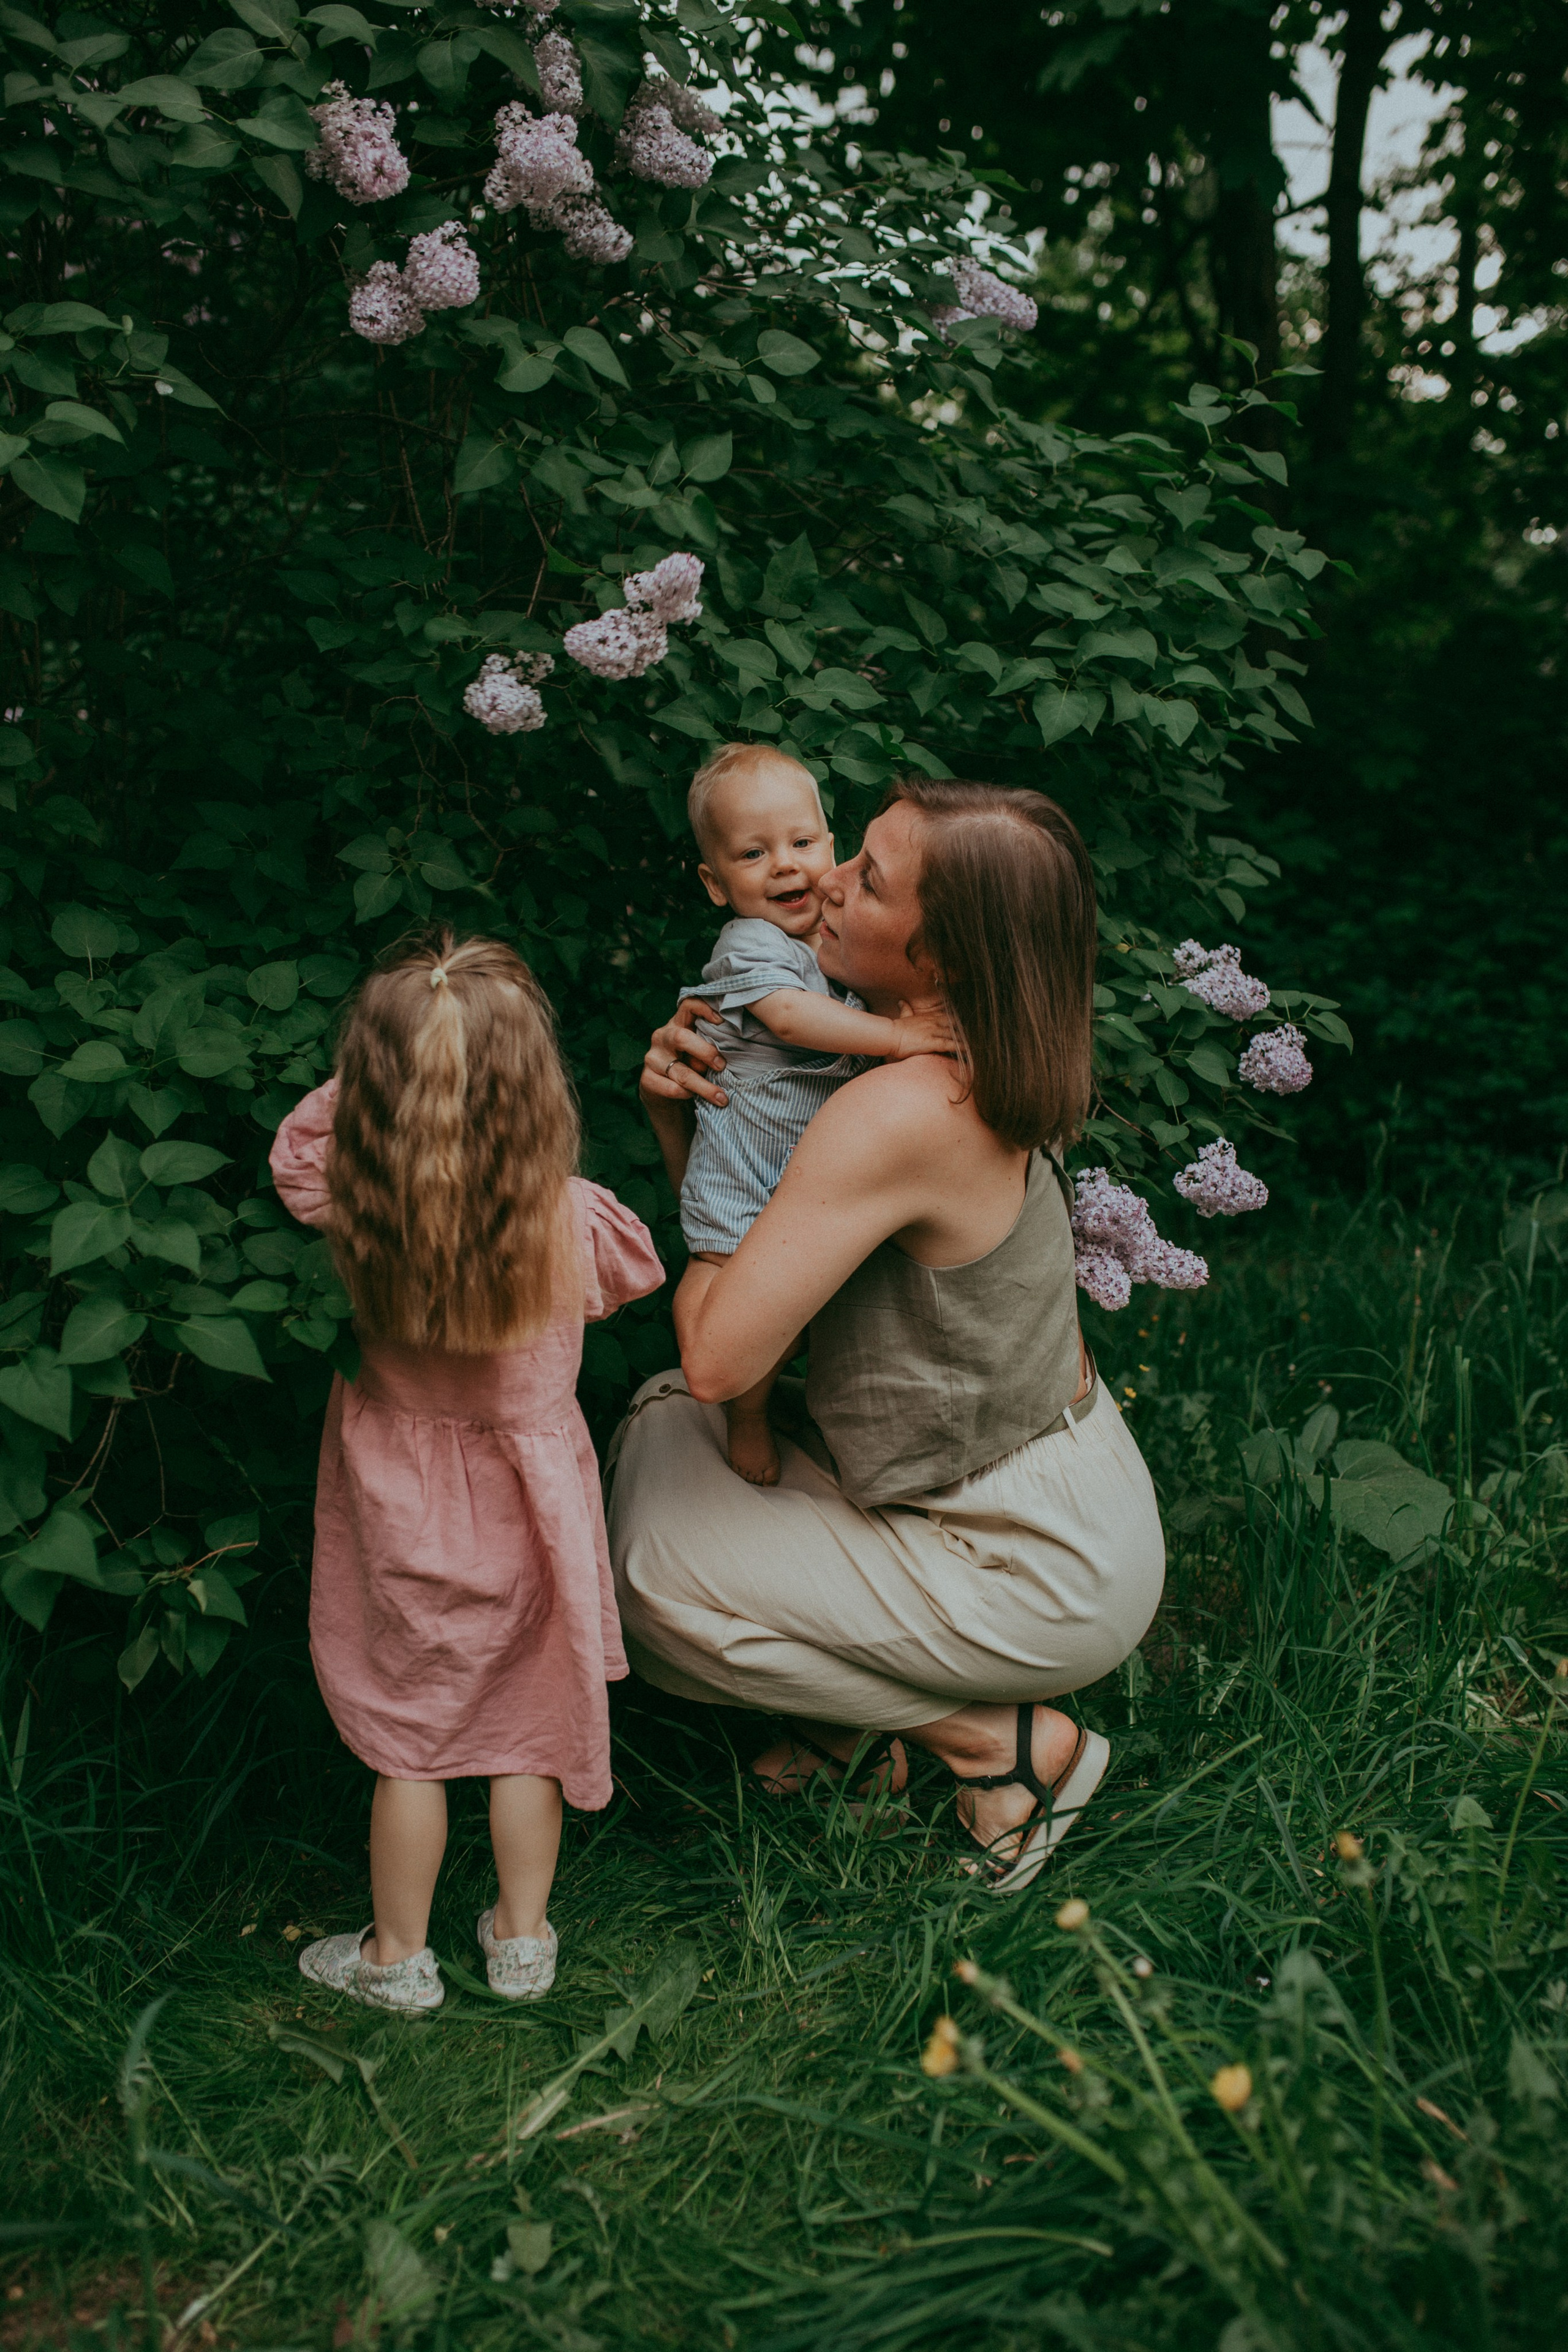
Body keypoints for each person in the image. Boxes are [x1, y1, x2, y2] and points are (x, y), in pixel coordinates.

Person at [609, 779, 1165, 1893]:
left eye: (868, 879)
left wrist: (710, 1123)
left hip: (1030, 1556)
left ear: (941, 956)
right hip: (1027, 1485)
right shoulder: (960, 1054)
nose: (826, 880)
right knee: (669, 1429)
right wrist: (693, 1115)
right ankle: (850, 1721)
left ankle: (1006, 1748)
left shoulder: (907, 1107)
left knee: (650, 1578)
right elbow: (759, 1278)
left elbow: (722, 1352)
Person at [270, 932, 663, 2011]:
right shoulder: (569, 1218)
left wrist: (392, 1076)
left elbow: (296, 1150)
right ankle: (522, 1941)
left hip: (402, 1508)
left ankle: (397, 1958)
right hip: (535, 1511)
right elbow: (638, 1270)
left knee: (412, 1737)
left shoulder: (363, 1204)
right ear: (532, 1089)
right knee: (528, 1726)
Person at [670, 742, 952, 1486]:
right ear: (715, 883)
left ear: (831, 845)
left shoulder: (829, 947)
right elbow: (791, 1018)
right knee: (720, 1283)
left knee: (789, 1318)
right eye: (753, 853)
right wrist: (898, 1036)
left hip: (799, 1176)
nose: (784, 866)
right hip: (743, 1171)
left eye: (801, 843)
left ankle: (764, 1397)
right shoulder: (750, 944)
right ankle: (745, 1413)